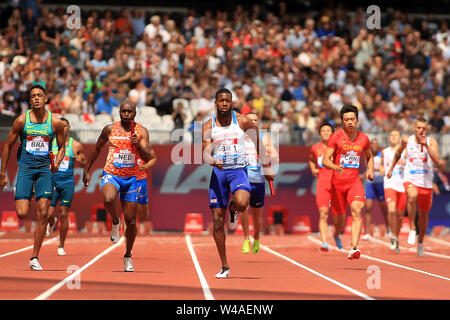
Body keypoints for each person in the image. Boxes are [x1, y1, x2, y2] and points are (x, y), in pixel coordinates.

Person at [202, 89, 273, 278]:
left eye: (228, 101)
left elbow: (258, 144)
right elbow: (205, 152)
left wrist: (266, 168)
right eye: (221, 101)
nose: (225, 103)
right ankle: (225, 266)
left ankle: (233, 209)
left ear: (231, 103)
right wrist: (211, 160)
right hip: (218, 174)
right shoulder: (208, 125)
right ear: (216, 103)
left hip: (238, 171)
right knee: (218, 222)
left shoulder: (242, 121)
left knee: (242, 203)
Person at [0, 83, 66, 270]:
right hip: (26, 169)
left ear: (45, 99)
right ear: (30, 101)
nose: (36, 98)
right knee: (21, 213)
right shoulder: (21, 121)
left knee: (43, 212)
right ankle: (26, 193)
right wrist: (2, 172)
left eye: (39, 95)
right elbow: (7, 146)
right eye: (33, 96)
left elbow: (62, 146)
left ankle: (34, 257)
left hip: (45, 169)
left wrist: (58, 162)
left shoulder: (55, 123)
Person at [83, 100, 153, 271]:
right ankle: (115, 221)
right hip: (112, 174)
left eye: (130, 111)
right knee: (108, 199)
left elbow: (147, 157)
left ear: (135, 113)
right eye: (124, 111)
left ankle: (128, 255)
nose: (127, 114)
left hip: (132, 179)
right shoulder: (110, 129)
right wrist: (87, 169)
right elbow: (97, 149)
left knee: (130, 221)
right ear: (119, 113)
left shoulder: (141, 131)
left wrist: (137, 144)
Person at [322, 105, 374, 260]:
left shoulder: (364, 139)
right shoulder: (336, 137)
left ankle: (353, 248)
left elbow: (369, 156)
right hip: (337, 184)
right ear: (342, 121)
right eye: (346, 120)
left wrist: (370, 170)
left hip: (354, 181)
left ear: (357, 120)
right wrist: (334, 166)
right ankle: (336, 233)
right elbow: (325, 160)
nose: (350, 122)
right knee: (339, 220)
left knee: (357, 210)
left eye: (352, 119)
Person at [387, 118, 440, 256]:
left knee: (423, 214)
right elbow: (398, 153)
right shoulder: (406, 140)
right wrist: (391, 168)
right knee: (411, 195)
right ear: (414, 128)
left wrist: (426, 146)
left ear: (426, 129)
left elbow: (437, 159)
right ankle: (411, 227)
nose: (421, 130)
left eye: (423, 128)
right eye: (418, 128)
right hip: (410, 178)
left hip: (426, 182)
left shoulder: (431, 141)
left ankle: (420, 241)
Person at [46, 118, 87, 256]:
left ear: (69, 128)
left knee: (64, 213)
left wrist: (81, 161)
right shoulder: (51, 143)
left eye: (65, 126)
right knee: (48, 214)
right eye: (60, 126)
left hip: (67, 182)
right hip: (52, 181)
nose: (63, 128)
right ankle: (51, 222)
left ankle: (61, 245)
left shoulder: (75, 145)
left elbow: (84, 161)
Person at [240, 112, 279, 254]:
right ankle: (246, 237)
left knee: (257, 216)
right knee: (242, 208)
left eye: (256, 120)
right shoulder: (240, 137)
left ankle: (256, 237)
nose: (253, 122)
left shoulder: (264, 137)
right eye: (250, 120)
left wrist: (267, 155)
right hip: (243, 178)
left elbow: (275, 155)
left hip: (259, 180)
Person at [379, 129, 407, 253]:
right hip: (389, 183)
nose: (393, 137)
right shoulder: (384, 151)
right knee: (391, 210)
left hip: (402, 184)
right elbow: (380, 165)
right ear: (389, 138)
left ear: (400, 138)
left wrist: (404, 163)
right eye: (391, 135)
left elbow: (411, 164)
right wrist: (381, 170)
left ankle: (396, 235)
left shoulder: (405, 152)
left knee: (400, 215)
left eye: (396, 135)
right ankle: (393, 235)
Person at [308, 122, 335, 251]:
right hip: (323, 185)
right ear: (319, 133)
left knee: (338, 215)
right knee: (323, 213)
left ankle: (336, 234)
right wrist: (313, 169)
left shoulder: (338, 148)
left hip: (337, 186)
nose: (325, 132)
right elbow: (311, 159)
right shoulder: (315, 148)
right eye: (323, 130)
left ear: (332, 133)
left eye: (328, 130)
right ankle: (324, 242)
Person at [362, 138, 389, 240]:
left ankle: (389, 230)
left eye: (376, 144)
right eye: (372, 144)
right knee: (368, 208)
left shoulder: (381, 154)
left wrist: (374, 169)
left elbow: (384, 168)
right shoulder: (366, 154)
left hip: (380, 182)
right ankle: (368, 232)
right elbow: (366, 168)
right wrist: (365, 173)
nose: (374, 146)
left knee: (384, 209)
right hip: (370, 183)